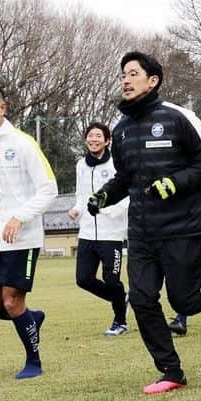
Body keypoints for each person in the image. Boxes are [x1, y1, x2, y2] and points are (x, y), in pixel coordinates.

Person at [88, 51, 201, 394]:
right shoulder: (120, 130)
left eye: (133, 73)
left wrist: (174, 183)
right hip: (142, 232)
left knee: (185, 302)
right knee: (143, 300)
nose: (126, 80)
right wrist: (103, 196)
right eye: (123, 75)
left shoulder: (178, 117)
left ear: (153, 80)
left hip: (182, 226)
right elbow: (125, 179)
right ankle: (171, 371)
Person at [0, 84, 58, 379]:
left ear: (2, 108)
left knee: (11, 300)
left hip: (23, 240)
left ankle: (34, 362)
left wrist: (19, 217)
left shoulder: (23, 143)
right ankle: (32, 319)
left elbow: (49, 190)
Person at [68, 122, 129, 335]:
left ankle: (120, 321)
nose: (94, 139)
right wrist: (76, 209)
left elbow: (126, 196)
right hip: (86, 233)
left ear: (107, 140)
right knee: (83, 279)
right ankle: (122, 299)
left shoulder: (116, 164)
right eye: (90, 136)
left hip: (110, 233)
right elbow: (80, 195)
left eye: (98, 136)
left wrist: (108, 211)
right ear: (86, 140)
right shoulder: (80, 165)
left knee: (112, 280)